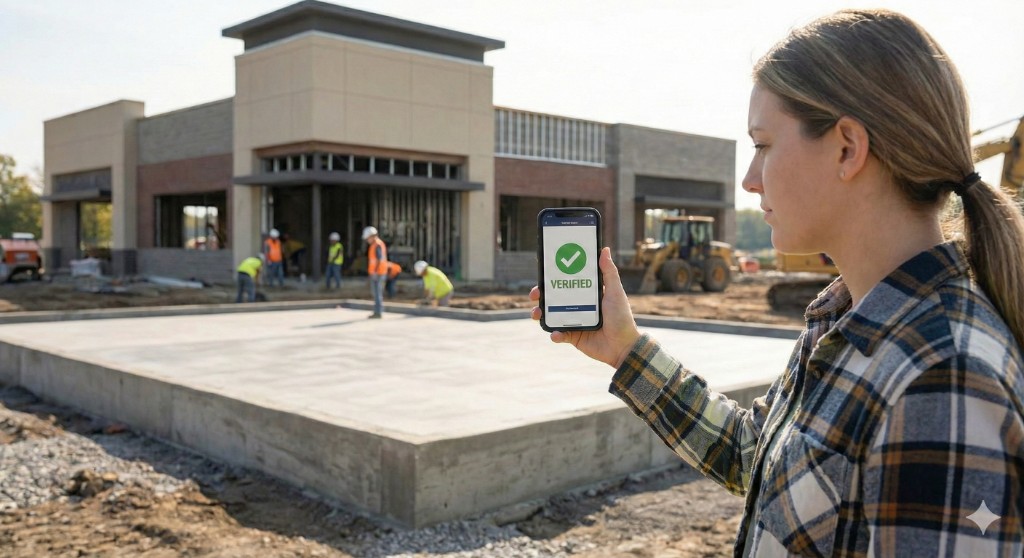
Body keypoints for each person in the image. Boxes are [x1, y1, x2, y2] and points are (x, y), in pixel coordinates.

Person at [531, 10, 1024, 557]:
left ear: (847, 148)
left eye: (763, 145)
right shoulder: (843, 320)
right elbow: (754, 457)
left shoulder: (943, 379)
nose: (749, 179)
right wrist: (626, 350)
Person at [363, 225, 387, 318]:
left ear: (372, 236)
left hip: (378, 273)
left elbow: (379, 259)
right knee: (376, 293)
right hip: (376, 273)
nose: (367, 240)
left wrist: (375, 272)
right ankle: (377, 312)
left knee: (377, 293)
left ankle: (378, 312)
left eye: (367, 238)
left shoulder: (377, 245)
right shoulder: (374, 245)